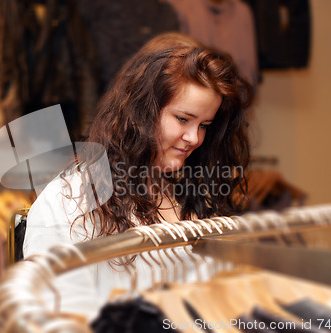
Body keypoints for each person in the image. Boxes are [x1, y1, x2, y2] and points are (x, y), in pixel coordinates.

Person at [22, 32, 252, 319]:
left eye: (204, 124)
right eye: (183, 119)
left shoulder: (193, 195)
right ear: (143, 111)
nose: (194, 138)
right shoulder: (70, 200)